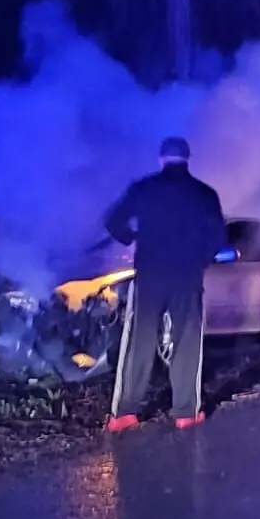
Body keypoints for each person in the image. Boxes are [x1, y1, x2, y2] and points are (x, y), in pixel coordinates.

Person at [104, 136, 228, 431]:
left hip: (150, 273)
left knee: (139, 340)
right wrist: (201, 259)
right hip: (187, 276)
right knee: (187, 341)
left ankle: (125, 412)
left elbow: (113, 221)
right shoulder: (204, 193)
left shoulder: (143, 189)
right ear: (188, 158)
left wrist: (131, 240)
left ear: (161, 159)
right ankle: (186, 412)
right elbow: (218, 238)